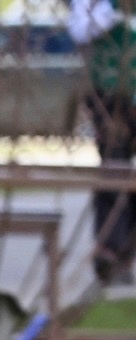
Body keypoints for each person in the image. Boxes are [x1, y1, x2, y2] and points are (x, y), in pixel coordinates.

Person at [73, 0, 136, 284]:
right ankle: (111, 252)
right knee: (114, 169)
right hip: (111, 94)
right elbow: (79, 30)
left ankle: (125, 250)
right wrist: (112, 13)